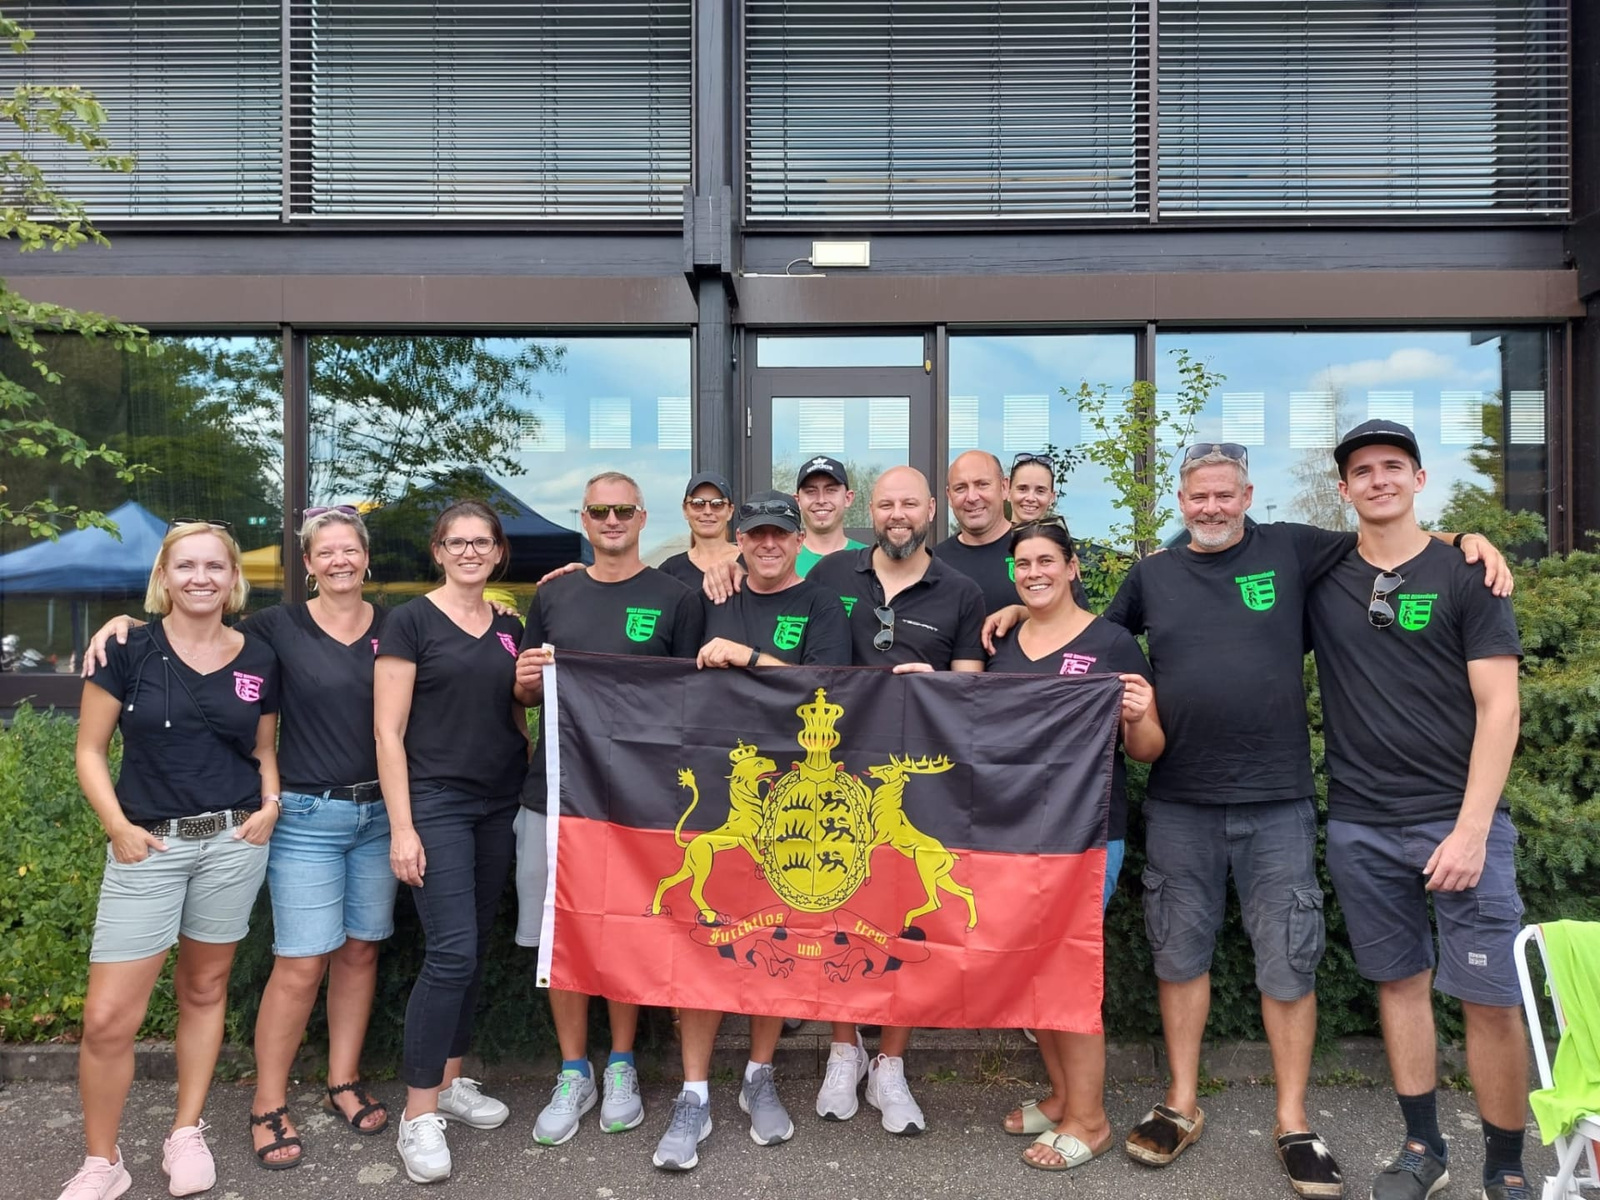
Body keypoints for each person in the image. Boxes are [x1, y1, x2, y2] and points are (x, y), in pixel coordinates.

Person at [984, 443, 1511, 1199]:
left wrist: (1467, 540)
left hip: (1278, 801)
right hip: (1179, 799)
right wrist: (1017, 602)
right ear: (1180, 498)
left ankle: (1293, 1120)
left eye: (1224, 495)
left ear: (1247, 493)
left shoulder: (1294, 548)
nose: (1211, 507)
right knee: (1178, 956)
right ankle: (1181, 1103)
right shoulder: (1153, 574)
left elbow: (1391, 535)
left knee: (1288, 961)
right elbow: (1082, 635)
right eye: (1198, 496)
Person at [83, 506, 402, 1170]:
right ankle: (265, 1103)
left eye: (352, 550)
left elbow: (469, 631)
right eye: (326, 552)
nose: (340, 560)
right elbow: (183, 631)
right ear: (306, 565)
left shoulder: (397, 627)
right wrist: (122, 624)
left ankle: (338, 1082)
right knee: (301, 962)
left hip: (368, 817)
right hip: (296, 822)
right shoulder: (274, 629)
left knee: (359, 954)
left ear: (368, 559)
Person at [1308, 421, 1528, 1200]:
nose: (1377, 480)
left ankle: (1504, 1165)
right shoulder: (1326, 574)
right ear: (1343, 490)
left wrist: (1472, 831)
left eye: (1392, 466)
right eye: (1361, 471)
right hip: (1362, 824)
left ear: (1418, 478)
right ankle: (1423, 1149)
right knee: (1399, 984)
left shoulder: (1468, 572)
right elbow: (1227, 561)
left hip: (1457, 821)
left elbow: (1500, 709)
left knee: (1491, 999)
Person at [60, 521, 281, 1200]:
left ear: (234, 577)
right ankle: (104, 1161)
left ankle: (186, 1131)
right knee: (107, 1019)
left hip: (234, 842)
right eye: (185, 566)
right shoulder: (127, 646)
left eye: (215, 566)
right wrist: (118, 826)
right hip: (148, 845)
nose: (201, 578)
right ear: (164, 576)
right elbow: (89, 751)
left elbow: (263, 749)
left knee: (205, 990)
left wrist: (271, 803)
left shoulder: (259, 656)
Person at [654, 490, 852, 1171]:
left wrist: (749, 658)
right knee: (705, 941)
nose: (768, 544)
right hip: (719, 784)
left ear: (799, 539)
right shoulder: (709, 592)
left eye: (780, 533)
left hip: (792, 799)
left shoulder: (822, 602)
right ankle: (694, 1092)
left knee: (777, 931)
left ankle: (760, 1076)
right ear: (738, 538)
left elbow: (828, 686)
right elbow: (670, 679)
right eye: (756, 533)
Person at [512, 471, 705, 1148]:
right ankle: (574, 1071)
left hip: (636, 801)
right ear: (585, 518)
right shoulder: (555, 593)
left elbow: (690, 703)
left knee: (623, 928)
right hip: (555, 794)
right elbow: (528, 694)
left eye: (624, 509)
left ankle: (621, 1064)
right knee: (560, 935)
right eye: (600, 510)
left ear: (643, 517)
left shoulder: (676, 599)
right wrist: (525, 682)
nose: (613, 518)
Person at [804, 466, 986, 1136]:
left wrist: (933, 682)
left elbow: (972, 690)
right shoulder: (829, 579)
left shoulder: (961, 591)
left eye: (910, 503)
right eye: (886, 503)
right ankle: (843, 1048)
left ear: (931, 509)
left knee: (910, 914)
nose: (898, 514)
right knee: (835, 909)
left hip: (918, 786)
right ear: (869, 512)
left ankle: (891, 1064)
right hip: (840, 781)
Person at [986, 517, 1165, 1172]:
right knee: (1036, 967)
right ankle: (1063, 1097)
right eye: (1023, 563)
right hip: (1012, 835)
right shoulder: (1002, 640)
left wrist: (1141, 716)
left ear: (1072, 567)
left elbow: (1146, 752)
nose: (1033, 572)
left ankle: (1090, 1121)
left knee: (1065, 969)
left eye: (1045, 561)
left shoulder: (1113, 642)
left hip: (1088, 834)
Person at [375, 500, 528, 1184]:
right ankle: (417, 1114)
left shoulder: (509, 626)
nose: (469, 551)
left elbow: (518, 707)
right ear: (437, 550)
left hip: (499, 802)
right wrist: (402, 826)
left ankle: (452, 1082)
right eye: (456, 542)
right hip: (435, 803)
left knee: (473, 946)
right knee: (451, 952)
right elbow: (387, 733)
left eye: (482, 542)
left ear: (498, 553)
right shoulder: (409, 622)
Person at [657, 471, 741, 591]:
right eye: (698, 504)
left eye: (717, 504)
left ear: (730, 511)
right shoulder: (670, 571)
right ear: (685, 510)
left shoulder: (751, 563)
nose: (707, 511)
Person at [793, 455, 865, 577]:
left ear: (848, 498)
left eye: (830, 490)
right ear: (798, 500)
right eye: (811, 491)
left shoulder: (870, 560)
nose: (821, 500)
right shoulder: (783, 561)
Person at [1008, 452, 1056, 524]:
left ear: (1052, 498)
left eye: (1040, 491)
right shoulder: (991, 535)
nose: (1030, 498)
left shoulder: (1062, 535)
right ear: (1008, 492)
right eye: (1022, 489)